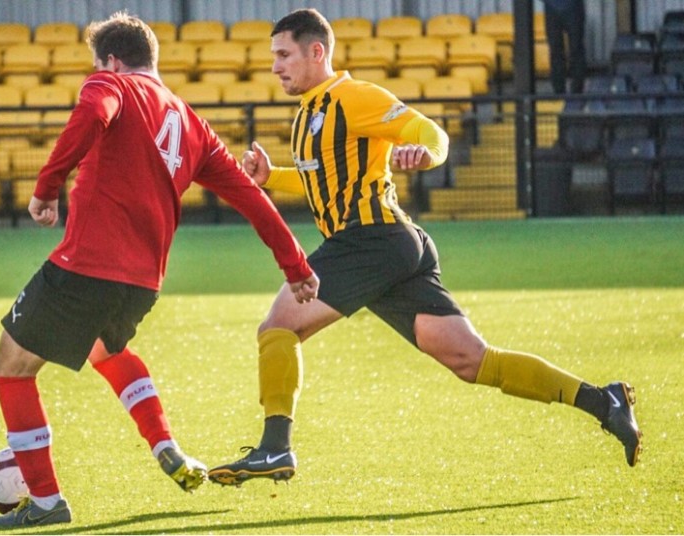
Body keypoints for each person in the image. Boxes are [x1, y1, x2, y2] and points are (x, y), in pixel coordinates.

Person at [207, 8, 641, 487]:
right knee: (471, 361)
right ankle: (605, 401)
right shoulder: (310, 111)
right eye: (273, 56)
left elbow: (429, 132)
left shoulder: (353, 97)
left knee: (278, 328)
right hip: (389, 248)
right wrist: (273, 179)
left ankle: (274, 448)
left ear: (317, 52)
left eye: (284, 54)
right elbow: (322, 181)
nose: (275, 66)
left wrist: (427, 153)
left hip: (372, 240)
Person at [0, 12, 319, 528]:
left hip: (88, 264)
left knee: (11, 364)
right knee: (104, 348)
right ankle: (166, 446)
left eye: (100, 66)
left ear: (113, 61)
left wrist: (47, 186)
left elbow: (93, 111)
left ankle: (46, 502)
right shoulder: (192, 125)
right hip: (142, 282)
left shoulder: (110, 84)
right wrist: (295, 265)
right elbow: (252, 199)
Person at [542, 0, 587, 94]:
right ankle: (564, 90)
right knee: (562, 50)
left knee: (573, 49)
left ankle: (572, 90)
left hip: (558, 7)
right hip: (567, 6)